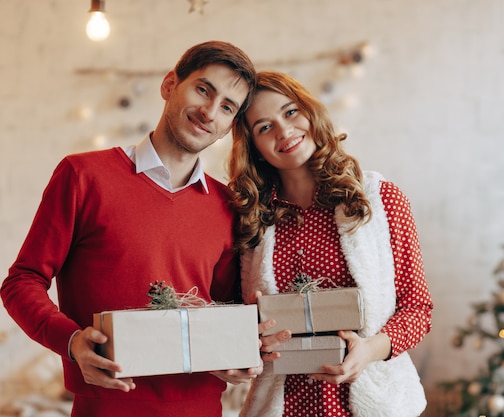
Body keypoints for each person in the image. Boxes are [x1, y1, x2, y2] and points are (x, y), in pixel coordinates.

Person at [1, 40, 260, 417]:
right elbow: (21, 281)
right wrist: (72, 341)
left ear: (229, 126)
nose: (209, 112)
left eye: (226, 107)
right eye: (203, 89)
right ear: (170, 85)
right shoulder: (83, 176)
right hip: (105, 408)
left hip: (202, 408)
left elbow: (226, 309)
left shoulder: (227, 207)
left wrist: (236, 352)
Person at [227, 71, 434, 417]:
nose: (284, 131)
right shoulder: (252, 219)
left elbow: (417, 309)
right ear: (254, 148)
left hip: (374, 403)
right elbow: (235, 318)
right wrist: (250, 334)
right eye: (264, 127)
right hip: (281, 406)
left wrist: (368, 350)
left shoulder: (379, 199)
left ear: (310, 112)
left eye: (290, 112)